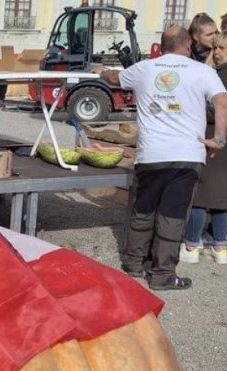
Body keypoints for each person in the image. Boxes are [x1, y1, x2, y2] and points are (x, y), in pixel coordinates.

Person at [94, 25, 227, 291]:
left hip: (151, 154)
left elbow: (113, 78)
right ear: (188, 45)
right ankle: (162, 274)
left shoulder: (144, 68)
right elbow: (222, 100)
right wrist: (219, 139)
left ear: (162, 45)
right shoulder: (204, 71)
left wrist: (101, 71)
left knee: (143, 209)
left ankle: (133, 264)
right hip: (187, 156)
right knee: (173, 214)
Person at [180, 31, 227, 266]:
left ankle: (192, 244)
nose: (216, 53)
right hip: (223, 141)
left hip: (211, 138)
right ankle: (220, 247)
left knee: (199, 195)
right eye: (214, 48)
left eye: (222, 49)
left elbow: (213, 108)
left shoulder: (217, 76)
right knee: (222, 196)